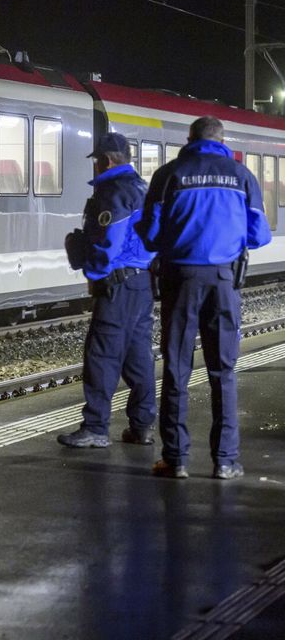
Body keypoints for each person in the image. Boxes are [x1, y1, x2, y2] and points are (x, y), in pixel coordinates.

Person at [136, 116, 271, 480]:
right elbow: (260, 235)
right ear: (222, 140)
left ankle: (176, 459)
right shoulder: (241, 176)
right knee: (223, 370)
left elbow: (149, 235)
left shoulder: (168, 175)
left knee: (177, 367)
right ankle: (226, 460)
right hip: (225, 281)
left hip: (180, 279)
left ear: (189, 139)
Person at [58, 132, 157, 449]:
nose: (95, 167)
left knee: (101, 355)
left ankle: (96, 428)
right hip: (141, 283)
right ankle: (142, 426)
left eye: (97, 161)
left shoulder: (113, 191)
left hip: (116, 285)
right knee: (137, 356)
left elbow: (109, 242)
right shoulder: (143, 187)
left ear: (106, 161)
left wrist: (93, 271)